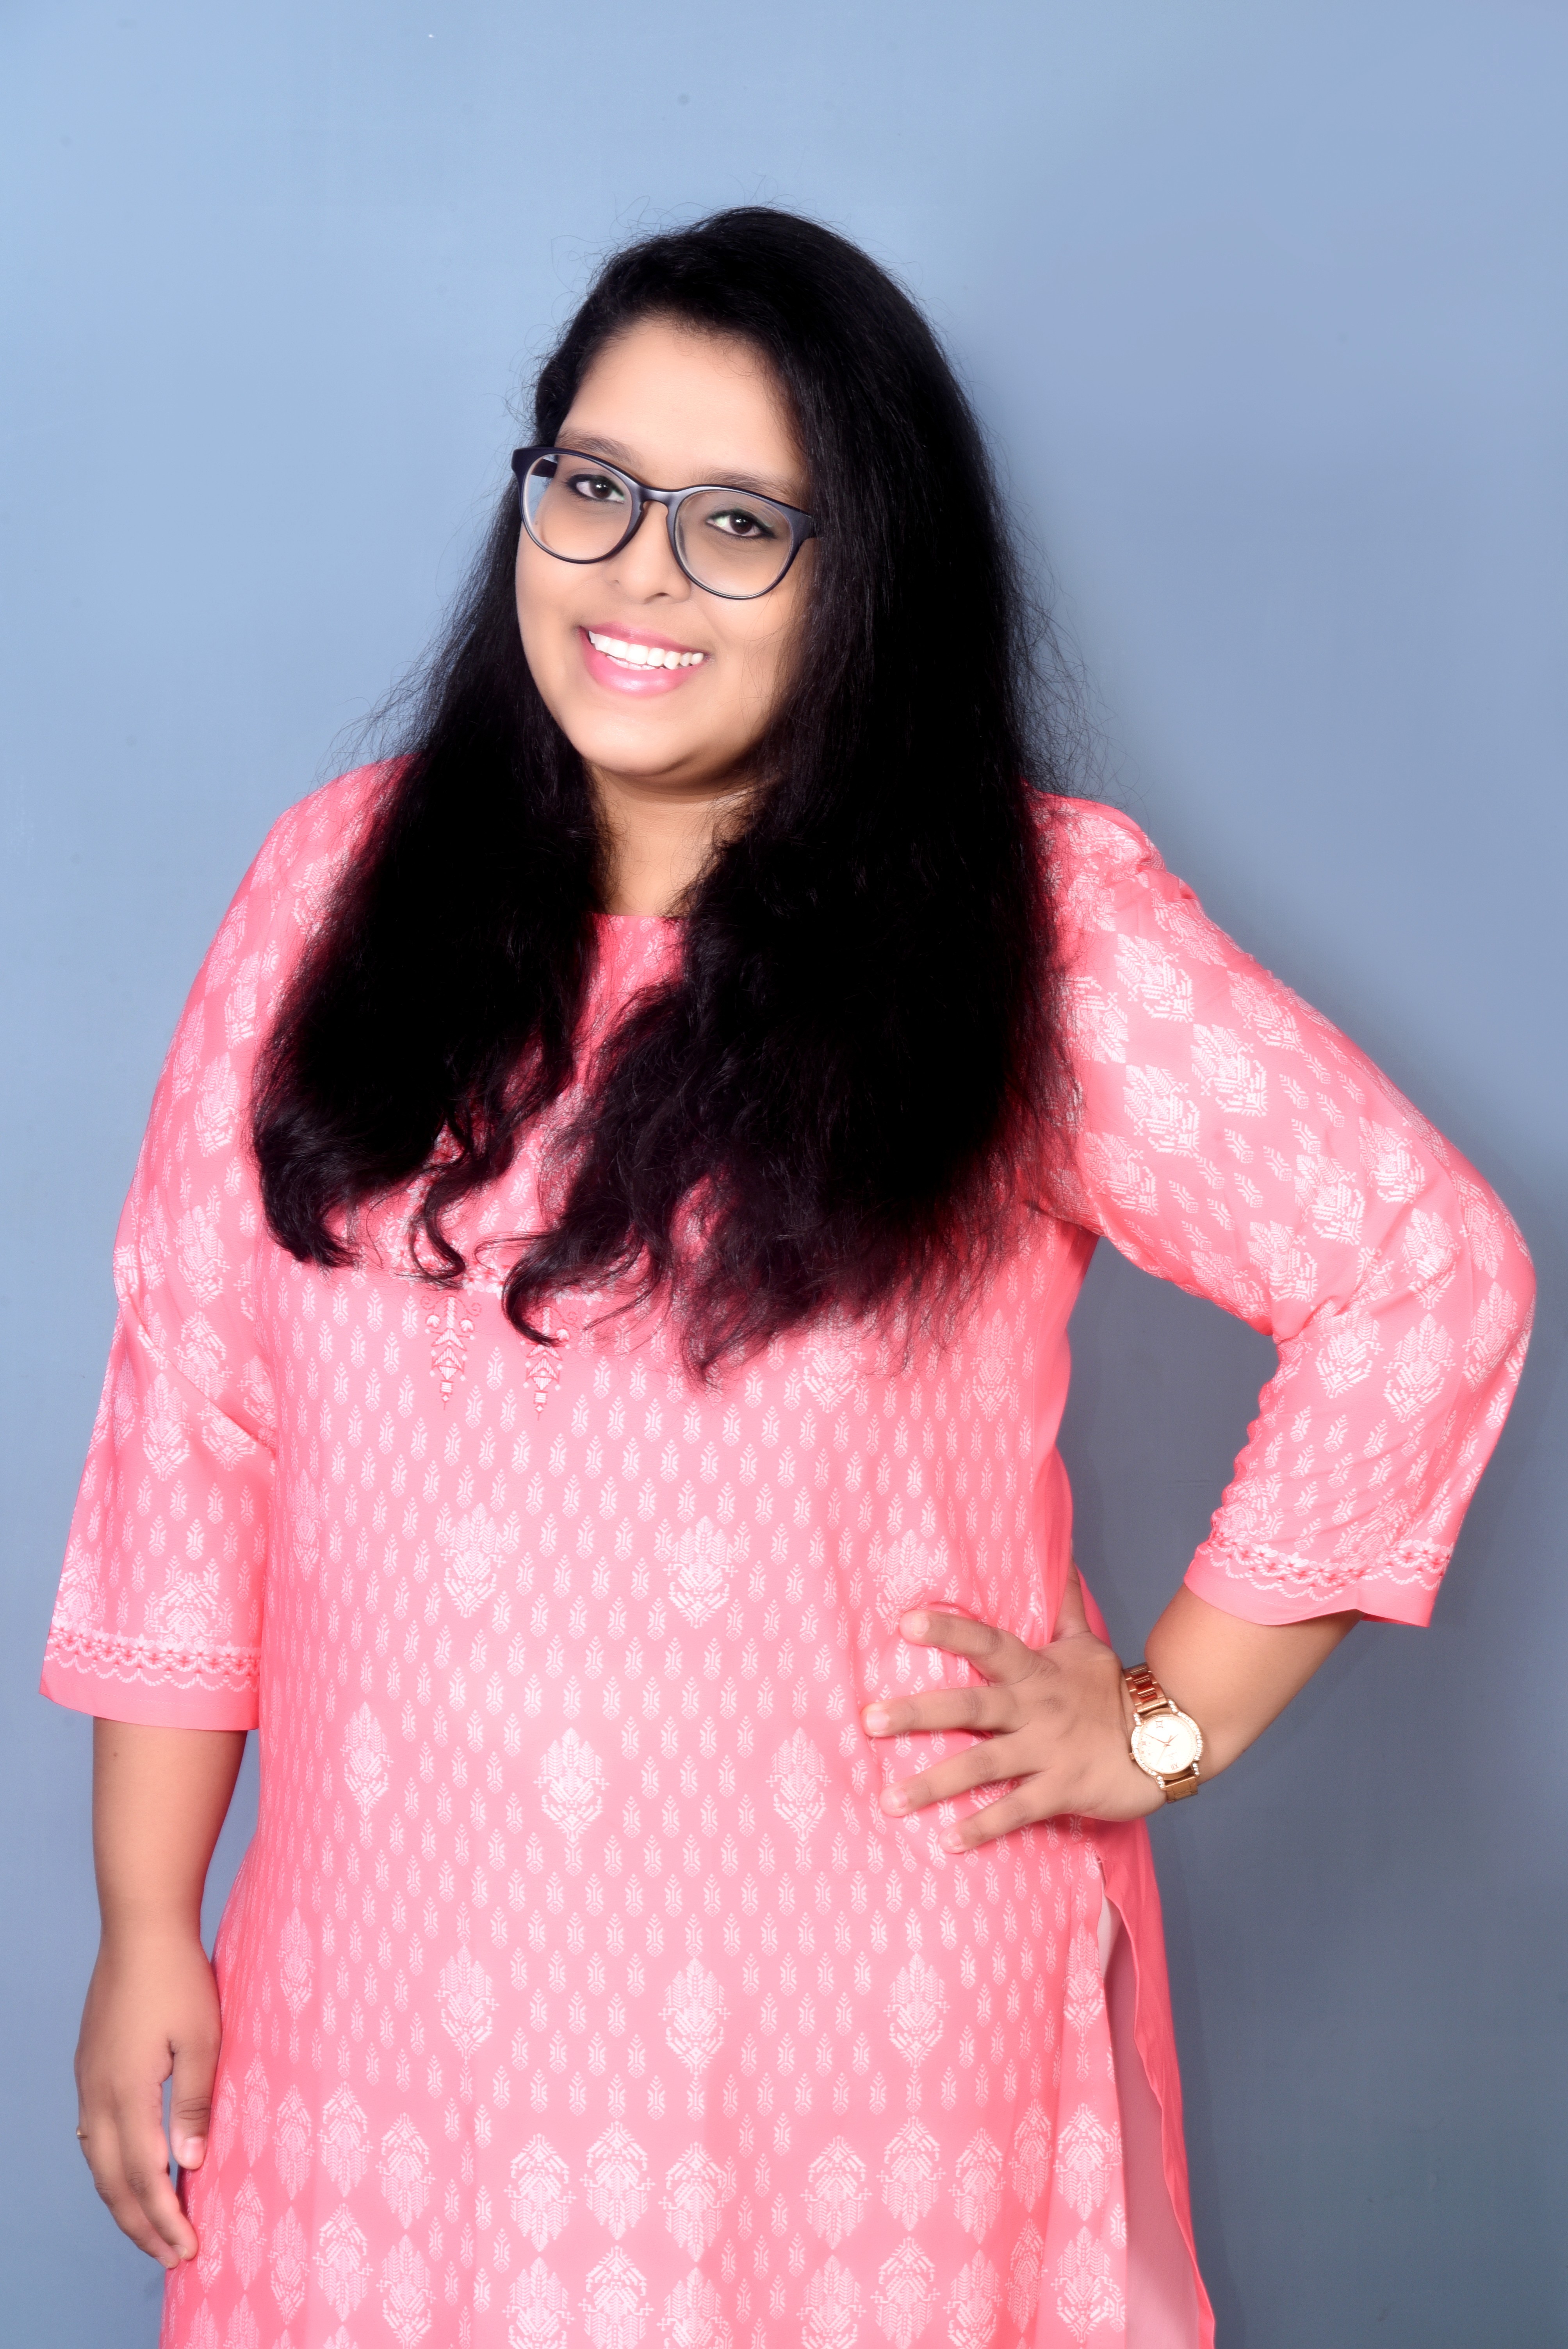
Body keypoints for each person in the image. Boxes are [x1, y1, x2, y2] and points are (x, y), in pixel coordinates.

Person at [45, 208, 1532, 2349]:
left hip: (858, 2071)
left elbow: (1424, 1272)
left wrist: (1165, 1722)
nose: (641, 572)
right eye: (596, 487)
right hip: (372, 2039)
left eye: (741, 522)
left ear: (868, 581)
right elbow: (194, 1415)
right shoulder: (330, 893)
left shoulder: (1032, 939)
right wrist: (145, 1920)